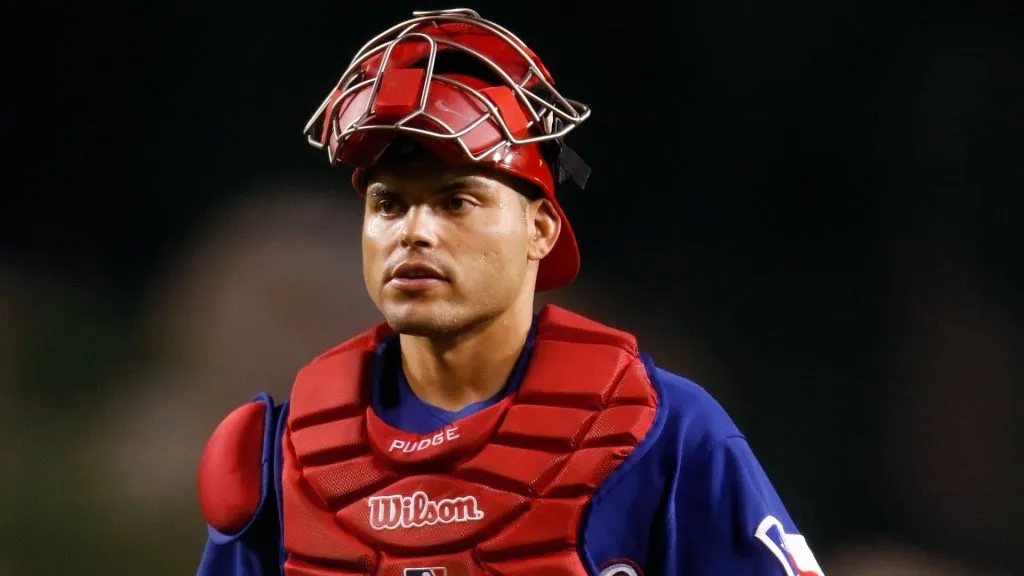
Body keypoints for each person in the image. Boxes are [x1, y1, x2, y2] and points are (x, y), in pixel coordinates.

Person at [195, 8, 826, 576]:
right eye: (389, 205)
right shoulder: (284, 456)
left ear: (541, 228)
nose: (414, 232)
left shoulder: (663, 432)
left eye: (456, 201)